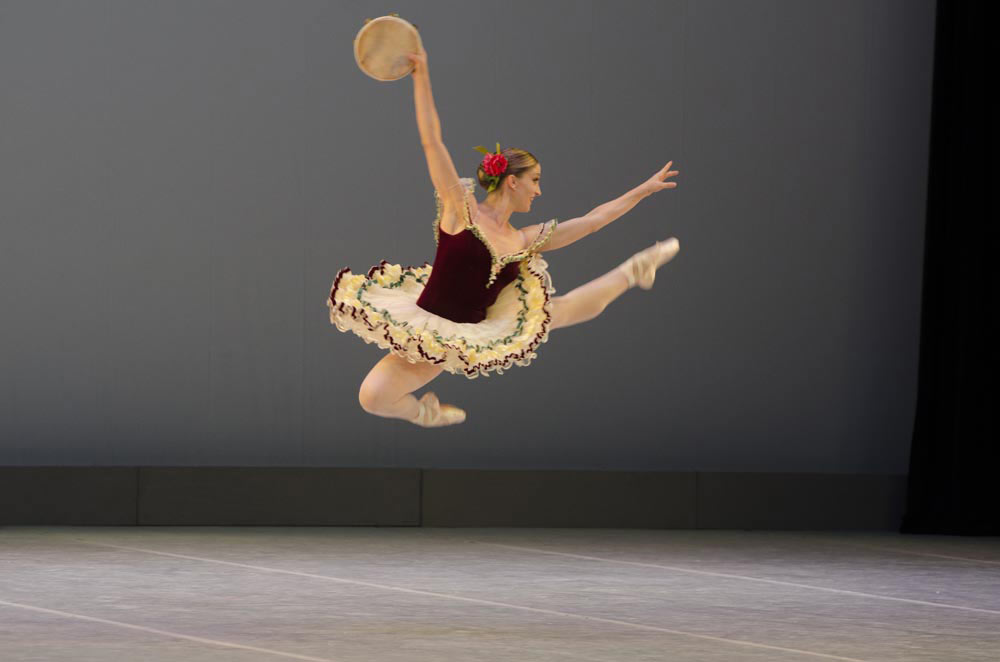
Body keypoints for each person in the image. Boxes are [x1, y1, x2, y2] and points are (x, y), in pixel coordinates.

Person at [327, 42, 680, 427]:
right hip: (430, 326)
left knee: (563, 310)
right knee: (373, 397)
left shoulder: (525, 238)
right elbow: (432, 141)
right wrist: (421, 76)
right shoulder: (461, 209)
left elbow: (593, 220)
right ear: (512, 181)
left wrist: (642, 191)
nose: (539, 191)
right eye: (535, 181)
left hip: (480, 327)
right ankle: (423, 412)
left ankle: (634, 271)